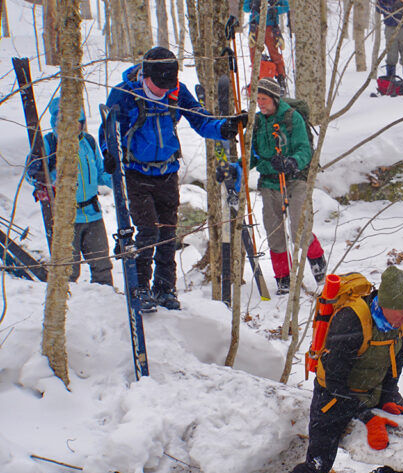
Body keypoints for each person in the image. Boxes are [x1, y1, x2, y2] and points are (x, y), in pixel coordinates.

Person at [259, 266, 403, 473]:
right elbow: (334, 384)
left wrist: (391, 395)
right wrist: (367, 417)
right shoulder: (351, 321)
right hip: (332, 393)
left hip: (375, 387)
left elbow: (397, 361)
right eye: (401, 312)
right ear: (384, 304)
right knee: (319, 464)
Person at [101, 46, 246, 312]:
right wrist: (108, 154)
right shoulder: (124, 94)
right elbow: (107, 130)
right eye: (158, 85)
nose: (163, 90)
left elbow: (200, 119)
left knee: (167, 233)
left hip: (167, 173)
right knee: (148, 232)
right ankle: (140, 287)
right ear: (145, 75)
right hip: (136, 174)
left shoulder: (176, 91)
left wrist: (224, 127)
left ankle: (165, 288)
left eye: (168, 84)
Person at [250, 78, 327, 295]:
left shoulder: (293, 119)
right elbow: (252, 156)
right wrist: (237, 167)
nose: (260, 103)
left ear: (274, 99)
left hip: (294, 179)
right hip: (268, 181)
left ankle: (317, 263)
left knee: (299, 230)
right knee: (274, 232)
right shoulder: (256, 123)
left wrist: (292, 162)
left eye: (264, 99)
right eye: (257, 99)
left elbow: (304, 149)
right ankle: (283, 278)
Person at [27, 97, 113, 286]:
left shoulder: (88, 142)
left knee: (102, 266)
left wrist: (117, 176)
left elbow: (100, 174)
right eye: (68, 122)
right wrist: (47, 176)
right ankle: (69, 310)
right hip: (65, 217)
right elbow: (31, 174)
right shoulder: (48, 144)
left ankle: (106, 303)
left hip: (93, 214)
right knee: (68, 271)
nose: (74, 127)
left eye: (78, 122)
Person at [242, 0, 290, 91]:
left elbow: (286, 7)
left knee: (274, 55)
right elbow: (246, 8)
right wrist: (253, 5)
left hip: (271, 27)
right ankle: (256, 80)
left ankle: (281, 80)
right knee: (254, 56)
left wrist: (274, 9)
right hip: (255, 26)